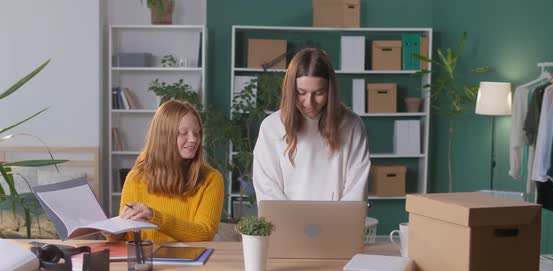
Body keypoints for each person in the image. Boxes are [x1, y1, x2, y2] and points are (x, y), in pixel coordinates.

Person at [253, 48, 370, 202]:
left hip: (337, 223)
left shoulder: (352, 125)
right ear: (291, 90)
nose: (309, 102)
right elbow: (267, 188)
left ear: (330, 91)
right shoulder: (271, 127)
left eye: (319, 93)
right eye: (301, 93)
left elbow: (356, 188)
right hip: (286, 224)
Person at [112, 99, 224, 242]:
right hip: (145, 261)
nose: (194, 139)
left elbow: (204, 233)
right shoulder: (136, 177)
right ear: (164, 137)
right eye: (183, 133)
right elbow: (127, 235)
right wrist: (111, 234)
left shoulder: (211, 179)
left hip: (190, 262)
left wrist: (155, 217)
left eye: (197, 132)